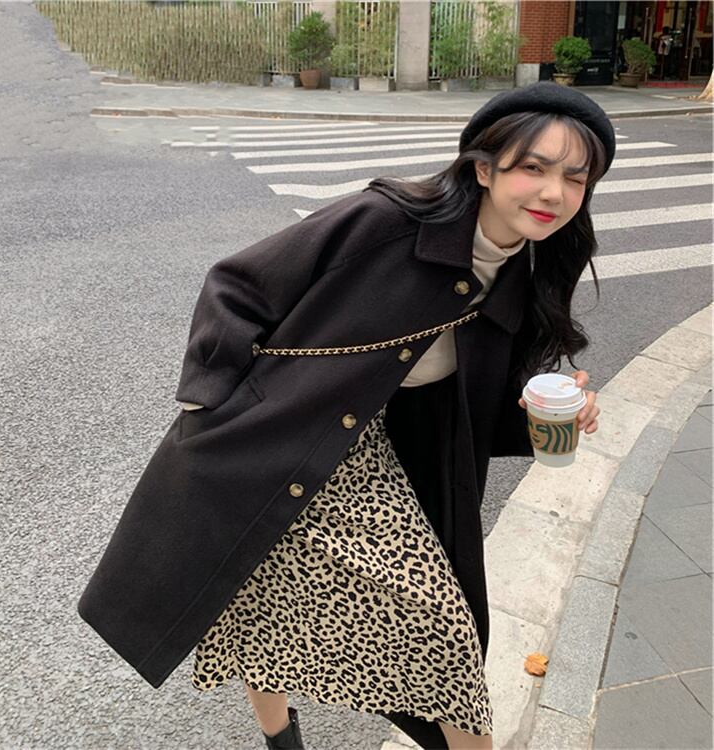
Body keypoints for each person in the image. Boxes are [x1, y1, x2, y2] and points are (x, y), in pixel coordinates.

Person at [77, 81, 611, 750]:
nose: (553, 192)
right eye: (533, 167)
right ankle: (281, 738)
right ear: (484, 168)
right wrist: (210, 405)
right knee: (266, 596)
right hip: (286, 433)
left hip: (382, 455)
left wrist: (547, 416)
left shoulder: (525, 276)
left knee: (441, 630)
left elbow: (486, 406)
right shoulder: (387, 219)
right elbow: (240, 283)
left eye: (575, 178)